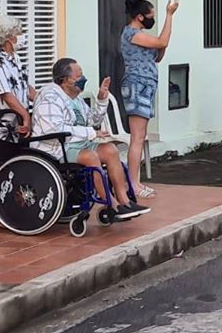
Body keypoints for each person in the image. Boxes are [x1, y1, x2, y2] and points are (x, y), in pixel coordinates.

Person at [33, 58, 149, 220]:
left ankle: (125, 201)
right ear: (66, 80)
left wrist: (102, 100)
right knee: (91, 156)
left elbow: (93, 121)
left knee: (110, 150)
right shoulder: (50, 97)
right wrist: (90, 133)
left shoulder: (76, 99)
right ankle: (111, 205)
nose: (83, 79)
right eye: (79, 76)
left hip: (77, 144)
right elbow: (53, 129)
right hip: (56, 147)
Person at [120, 0, 179, 199]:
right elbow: (161, 41)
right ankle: (133, 184)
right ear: (139, 16)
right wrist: (169, 15)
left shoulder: (142, 36)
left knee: (140, 136)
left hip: (146, 85)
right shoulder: (132, 34)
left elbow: (158, 56)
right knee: (137, 137)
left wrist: (163, 42)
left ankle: (136, 182)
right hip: (137, 84)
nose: (152, 19)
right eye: (150, 15)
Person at [0, 16, 37, 173]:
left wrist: (43, 99)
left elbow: (24, 86)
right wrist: (25, 116)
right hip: (1, 127)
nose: (21, 36)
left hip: (17, 126)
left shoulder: (15, 59)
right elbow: (6, 94)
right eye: (19, 33)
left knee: (18, 170)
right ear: (8, 37)